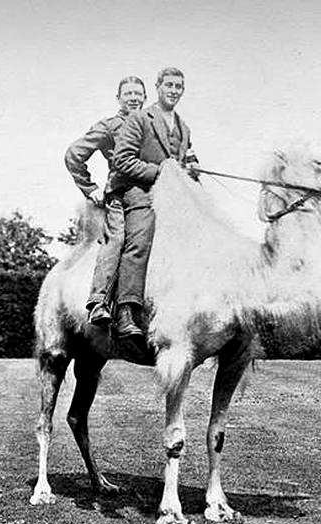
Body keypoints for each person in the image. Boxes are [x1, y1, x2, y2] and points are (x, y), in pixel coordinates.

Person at [109, 67, 199, 338]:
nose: (173, 90)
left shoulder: (184, 127)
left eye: (178, 86)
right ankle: (126, 310)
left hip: (174, 197)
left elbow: (185, 162)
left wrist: (191, 170)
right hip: (141, 192)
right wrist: (159, 171)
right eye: (169, 85)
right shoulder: (139, 118)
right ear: (158, 87)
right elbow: (122, 161)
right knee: (140, 239)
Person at [64, 76, 147, 325]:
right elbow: (74, 154)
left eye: (137, 93)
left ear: (145, 97)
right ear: (118, 98)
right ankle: (99, 301)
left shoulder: (154, 128)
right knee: (118, 239)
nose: (133, 97)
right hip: (121, 196)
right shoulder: (109, 126)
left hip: (155, 197)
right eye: (128, 93)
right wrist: (90, 188)